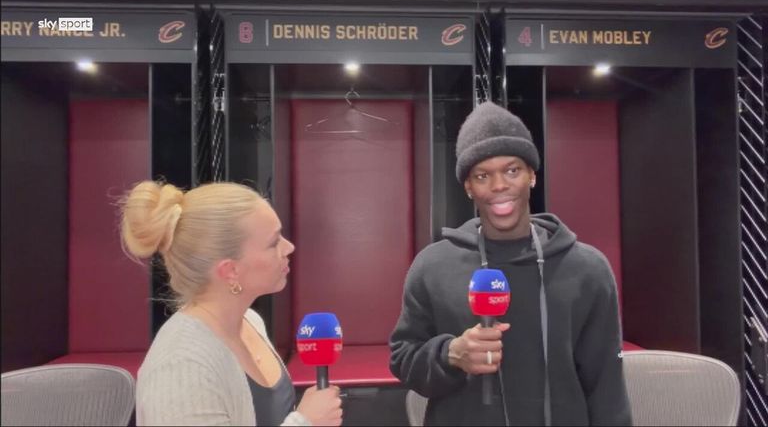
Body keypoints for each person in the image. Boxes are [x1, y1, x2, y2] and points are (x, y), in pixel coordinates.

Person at [389, 102, 632, 426]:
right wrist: (451, 354)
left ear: (532, 175)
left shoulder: (587, 269)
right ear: (468, 187)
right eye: (482, 175)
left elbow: (607, 388)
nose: (499, 185)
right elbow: (403, 359)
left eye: (512, 170)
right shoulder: (432, 267)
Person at [120, 181, 343, 426]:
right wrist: (306, 421)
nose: (289, 247)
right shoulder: (180, 366)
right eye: (273, 243)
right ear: (230, 270)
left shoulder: (251, 322)